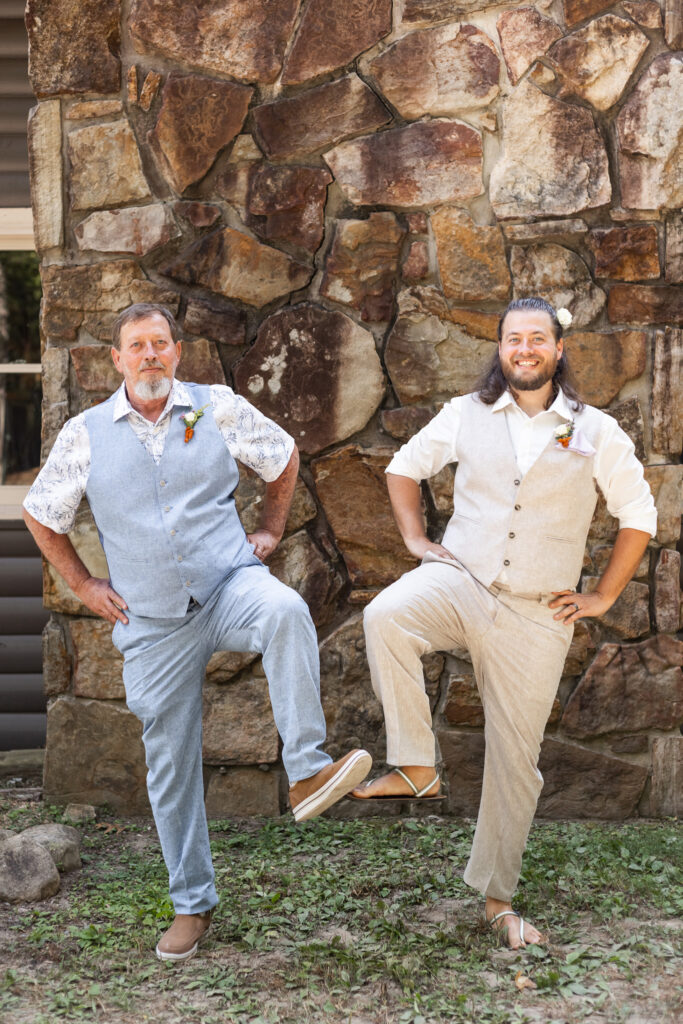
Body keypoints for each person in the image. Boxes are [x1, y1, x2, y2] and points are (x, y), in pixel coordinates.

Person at [23, 303, 371, 961]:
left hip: (228, 583)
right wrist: (84, 585)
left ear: (176, 353)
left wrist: (268, 528)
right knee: (169, 763)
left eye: (160, 343)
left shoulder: (216, 407)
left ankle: (305, 769)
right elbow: (42, 515)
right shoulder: (87, 433)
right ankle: (191, 904)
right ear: (117, 360)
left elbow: (282, 457)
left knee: (285, 612)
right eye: (136, 346)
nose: (150, 354)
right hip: (151, 621)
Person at [352, 297, 656, 948]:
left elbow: (638, 515)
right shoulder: (465, 415)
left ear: (557, 349)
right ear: (499, 348)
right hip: (460, 579)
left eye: (536, 339)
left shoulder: (595, 429)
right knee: (386, 614)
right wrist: (412, 538)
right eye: (513, 338)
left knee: (517, 762)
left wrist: (601, 595)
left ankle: (496, 899)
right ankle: (413, 763)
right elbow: (403, 467)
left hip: (536, 613)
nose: (524, 348)